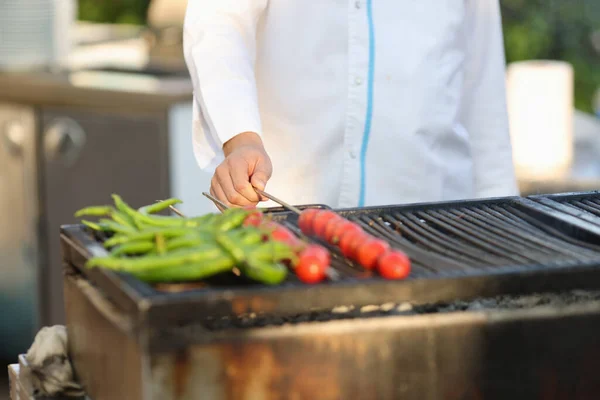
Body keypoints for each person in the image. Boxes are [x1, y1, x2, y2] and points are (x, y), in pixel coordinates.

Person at [183, 0, 518, 209]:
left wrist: (505, 218)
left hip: (438, 217)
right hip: (287, 214)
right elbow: (217, 25)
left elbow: (484, 96)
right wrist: (241, 140)